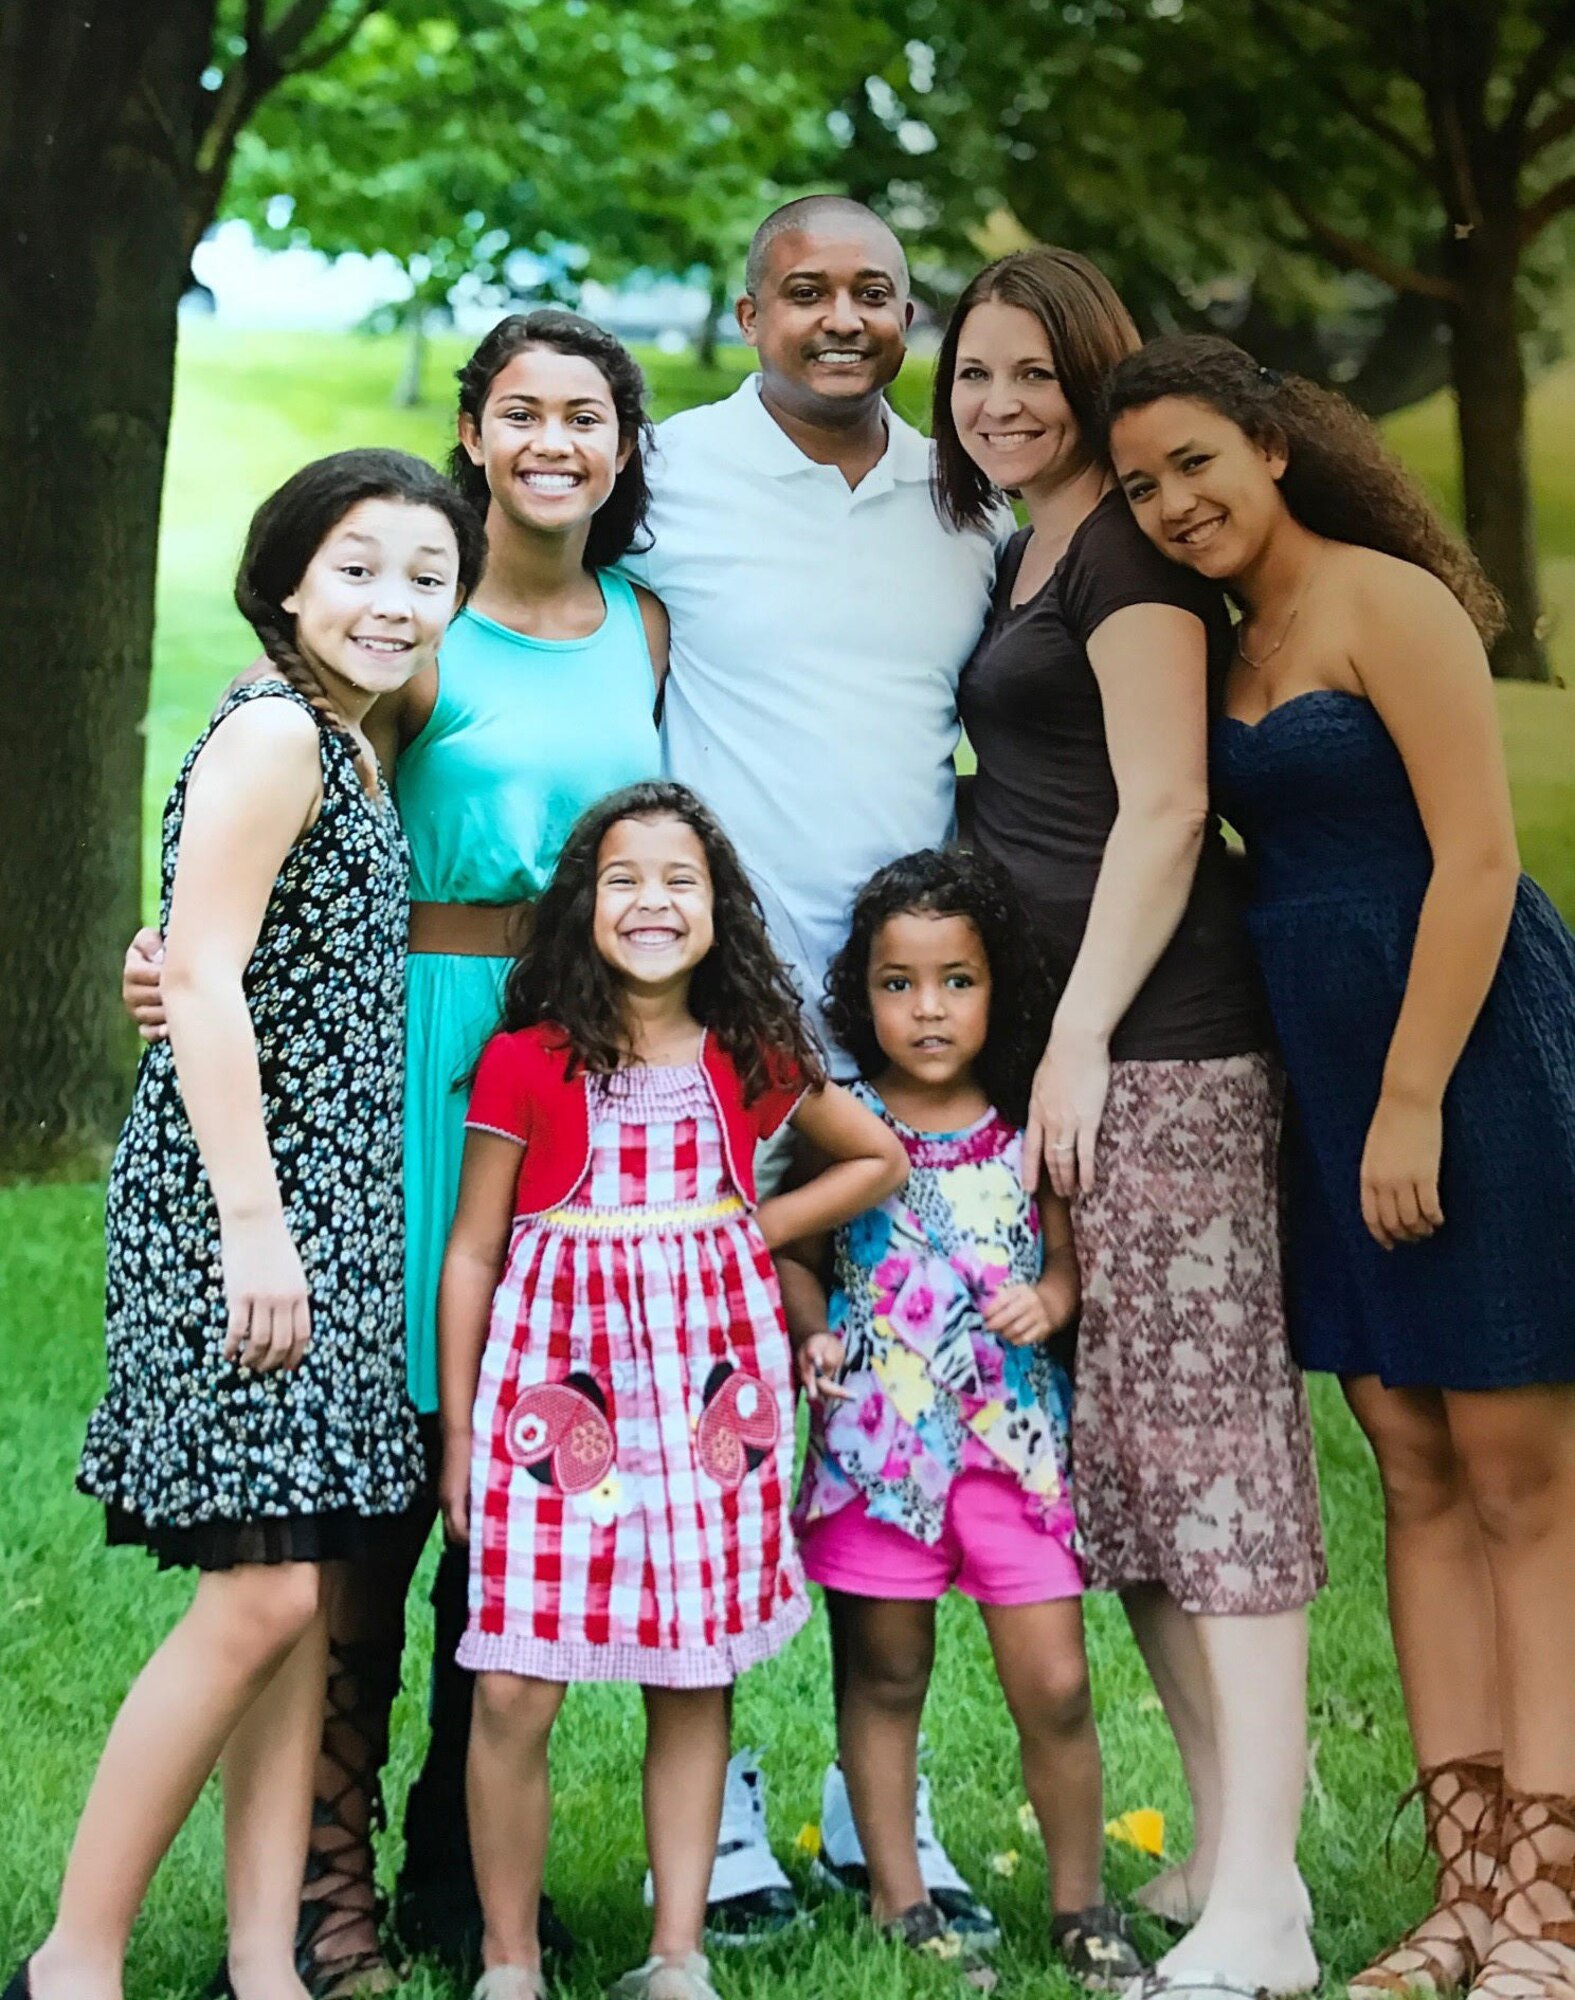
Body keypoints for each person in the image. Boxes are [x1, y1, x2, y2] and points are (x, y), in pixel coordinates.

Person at [118, 311, 666, 1991]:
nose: (556, 440)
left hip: (559, 1051)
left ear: (623, 445)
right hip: (410, 1045)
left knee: (513, 1461)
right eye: (524, 412)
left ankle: (452, 1860)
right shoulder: (421, 624)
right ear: (478, 435)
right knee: (372, 1479)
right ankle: (322, 1884)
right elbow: (270, 763)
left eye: (588, 413)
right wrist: (169, 953)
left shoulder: (646, 624)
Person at [1106, 333, 1575, 2000]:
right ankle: (1466, 1898)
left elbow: (1480, 859)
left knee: (1520, 1471)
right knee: (1411, 1461)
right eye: (1142, 483)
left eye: (1194, 464)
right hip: (1327, 1080)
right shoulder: (1223, 646)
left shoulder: (1389, 600)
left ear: (1275, 444)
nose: (1171, 503)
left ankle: (1556, 1909)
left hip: (1466, 1071)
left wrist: (1415, 1099)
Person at [5, 451, 485, 2000]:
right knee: (266, 1591)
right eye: (357, 567)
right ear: (284, 579)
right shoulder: (279, 732)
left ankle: (264, 1964)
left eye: (427, 574)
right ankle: (74, 1957)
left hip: (332, 1211)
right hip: (245, 1208)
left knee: (295, 1588)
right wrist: (258, 1227)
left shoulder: (349, 743)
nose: (393, 602)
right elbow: (199, 977)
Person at [933, 249, 1326, 1997]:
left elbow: (1167, 812)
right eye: (973, 377)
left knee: (1217, 1468)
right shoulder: (1037, 547)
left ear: (1095, 375)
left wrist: (1079, 1037)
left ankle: (1264, 1908)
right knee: (1137, 1481)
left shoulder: (1129, 561)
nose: (999, 402)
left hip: (1162, 1049)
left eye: (1032, 372)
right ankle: (1245, 1868)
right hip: (1082, 1062)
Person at [628, 191, 1006, 1943]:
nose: (842, 318)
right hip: (703, 1023)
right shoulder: (669, 473)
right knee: (697, 1413)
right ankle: (710, 1815)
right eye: (806, 290)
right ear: (747, 303)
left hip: (905, 1041)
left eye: (875, 292)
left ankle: (888, 1790)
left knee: (885, 1424)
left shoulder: (967, 495)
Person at [437, 781, 907, 2000]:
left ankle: (678, 1951)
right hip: (562, 1397)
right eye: (624, 878)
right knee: (512, 1676)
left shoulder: (745, 1055)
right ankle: (508, 1958)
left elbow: (877, 1156)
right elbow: (475, 1253)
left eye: (680, 880)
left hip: (708, 1395)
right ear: (582, 905)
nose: (652, 901)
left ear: (720, 909)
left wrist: (750, 1228)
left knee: (695, 1664)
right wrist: (457, 1434)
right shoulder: (526, 1063)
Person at [778, 848, 1146, 1988]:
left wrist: (1054, 1298)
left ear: (998, 988)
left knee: (1057, 1683)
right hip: (879, 1454)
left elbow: (1071, 1258)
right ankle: (902, 1898)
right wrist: (812, 1330)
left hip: (1013, 1451)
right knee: (885, 1673)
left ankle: (1083, 1901)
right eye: (898, 982)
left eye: (955, 980)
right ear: (862, 991)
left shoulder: (1031, 1117)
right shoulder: (846, 1118)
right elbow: (794, 1246)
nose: (927, 1008)